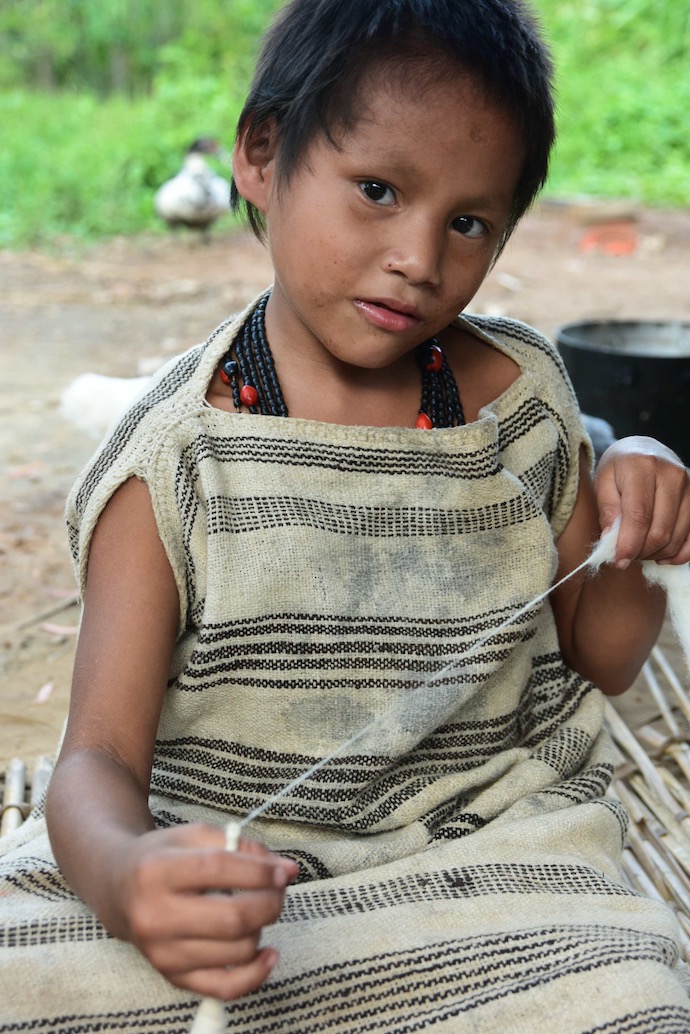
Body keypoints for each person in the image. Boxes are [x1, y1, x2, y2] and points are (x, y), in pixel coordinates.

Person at [2, 0, 690, 1030]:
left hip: (488, 860)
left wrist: (640, 507)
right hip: (233, 871)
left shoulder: (519, 402)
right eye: (377, 189)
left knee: (631, 993)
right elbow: (96, 757)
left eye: (468, 222)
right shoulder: (178, 461)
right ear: (261, 155)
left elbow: (602, 655)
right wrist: (131, 877)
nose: (420, 256)